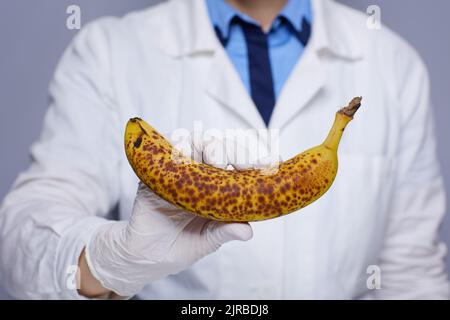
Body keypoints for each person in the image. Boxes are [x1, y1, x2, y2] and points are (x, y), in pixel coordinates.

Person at [0, 0, 448, 299]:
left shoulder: (393, 64)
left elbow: (412, 276)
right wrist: (108, 259)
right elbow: (23, 231)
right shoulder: (108, 52)